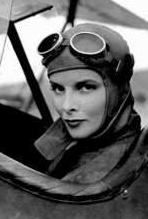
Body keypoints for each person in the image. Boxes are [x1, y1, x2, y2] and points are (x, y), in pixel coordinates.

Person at [34, 23, 141, 183]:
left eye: (85, 87)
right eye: (58, 88)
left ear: (118, 89)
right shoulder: (72, 147)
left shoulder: (130, 174)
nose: (66, 106)